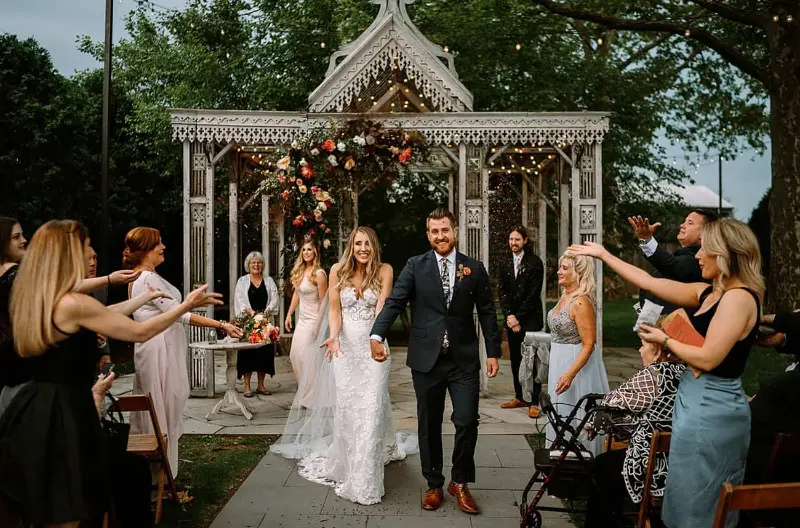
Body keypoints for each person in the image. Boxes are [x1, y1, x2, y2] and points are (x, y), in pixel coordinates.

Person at [0, 220, 221, 527]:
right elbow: (140, 332)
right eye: (86, 246)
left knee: (46, 509)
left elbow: (105, 315)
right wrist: (185, 306)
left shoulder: (39, 299)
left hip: (33, 408)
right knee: (68, 510)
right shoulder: (74, 304)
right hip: (64, 413)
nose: (92, 252)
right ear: (69, 254)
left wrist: (143, 298)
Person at [569, 218, 764, 528]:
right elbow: (649, 283)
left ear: (724, 253)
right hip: (692, 402)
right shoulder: (708, 293)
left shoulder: (739, 298)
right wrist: (604, 255)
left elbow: (711, 358)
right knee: (683, 497)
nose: (697, 256)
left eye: (705, 250)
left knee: (703, 501)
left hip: (714, 408)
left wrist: (665, 340)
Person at [369, 208, 501, 515]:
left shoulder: (474, 268)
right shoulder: (415, 266)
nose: (440, 236)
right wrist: (377, 334)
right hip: (426, 360)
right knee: (428, 424)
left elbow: (487, 311)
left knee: (467, 420)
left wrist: (492, 351)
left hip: (463, 360)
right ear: (428, 235)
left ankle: (460, 482)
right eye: (434, 231)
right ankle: (433, 482)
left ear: (454, 231)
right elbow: (395, 302)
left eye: (445, 230)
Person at [272, 227, 417, 505]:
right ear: (351, 246)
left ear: (374, 246)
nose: (362, 248)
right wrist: (334, 336)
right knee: (350, 407)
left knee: (373, 403)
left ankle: (365, 477)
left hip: (374, 346)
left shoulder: (385, 270)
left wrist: (376, 339)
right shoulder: (338, 270)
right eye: (357, 244)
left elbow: (382, 308)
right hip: (345, 349)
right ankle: (353, 459)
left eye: (367, 244)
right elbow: (335, 310)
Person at [124, 227, 242, 479]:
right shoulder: (148, 280)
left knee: (158, 409)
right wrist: (222, 325)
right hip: (160, 353)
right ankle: (163, 480)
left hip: (154, 349)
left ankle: (157, 478)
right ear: (146, 250)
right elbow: (182, 315)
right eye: (158, 243)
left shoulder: (137, 278)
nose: (163, 246)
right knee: (164, 408)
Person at [584, 320, 686, 527]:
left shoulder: (653, 375)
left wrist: (595, 421)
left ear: (657, 352)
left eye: (642, 345)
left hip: (654, 468)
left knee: (602, 466)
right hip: (681, 462)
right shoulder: (686, 372)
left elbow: (613, 401)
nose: (640, 350)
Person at [545, 251, 610, 456]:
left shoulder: (581, 302)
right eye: (560, 267)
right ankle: (560, 460)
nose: (558, 271)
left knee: (576, 414)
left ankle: (581, 463)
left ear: (579, 273)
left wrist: (570, 374)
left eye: (565, 268)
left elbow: (589, 344)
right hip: (559, 361)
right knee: (560, 414)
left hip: (577, 367)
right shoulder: (564, 296)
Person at [630, 209, 717, 314]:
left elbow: (670, 264)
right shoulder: (684, 255)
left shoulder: (695, 259)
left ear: (705, 233)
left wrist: (646, 239)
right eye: (684, 221)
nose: (682, 225)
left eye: (690, 223)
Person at [497, 226, 545, 418]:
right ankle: (519, 396)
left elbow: (534, 294)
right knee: (516, 359)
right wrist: (509, 316)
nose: (513, 243)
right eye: (510, 239)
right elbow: (502, 292)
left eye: (517, 239)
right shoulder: (504, 262)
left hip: (530, 319)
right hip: (512, 320)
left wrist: (518, 317)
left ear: (525, 240)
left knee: (532, 361)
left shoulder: (535, 263)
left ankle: (534, 401)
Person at [284, 236, 328, 407]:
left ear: (315, 252)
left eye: (309, 249)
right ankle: (305, 393)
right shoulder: (301, 271)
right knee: (295, 355)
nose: (306, 252)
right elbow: (297, 294)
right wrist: (289, 314)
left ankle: (310, 398)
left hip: (313, 321)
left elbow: (325, 301)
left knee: (308, 358)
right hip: (302, 320)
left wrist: (319, 325)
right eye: (304, 249)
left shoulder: (319, 274)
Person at [233, 251, 279, 397]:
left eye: (259, 262)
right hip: (248, 322)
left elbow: (275, 298)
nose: (256, 265)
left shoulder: (269, 280)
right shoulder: (242, 281)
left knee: (263, 354)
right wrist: (251, 313)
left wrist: (266, 313)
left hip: (265, 322)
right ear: (248, 265)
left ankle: (261, 385)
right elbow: (239, 299)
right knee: (247, 354)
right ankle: (247, 387)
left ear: (262, 265)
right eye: (253, 263)